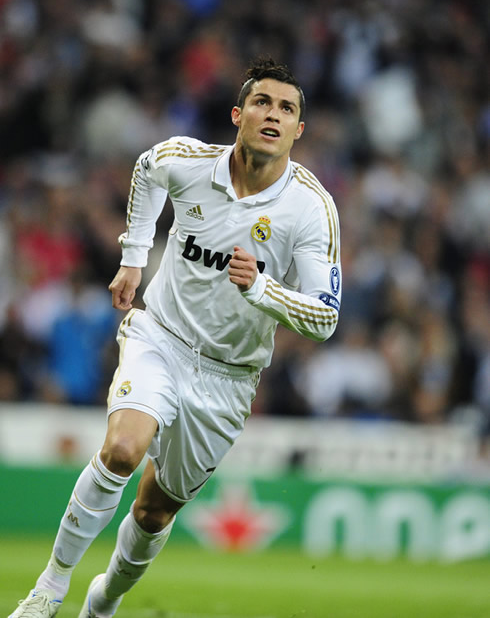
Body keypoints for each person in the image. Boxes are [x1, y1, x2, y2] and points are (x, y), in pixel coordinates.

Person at [10, 57, 342, 618]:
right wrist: (133, 259)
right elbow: (146, 167)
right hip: (161, 338)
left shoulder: (310, 209)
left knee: (152, 513)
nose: (274, 114)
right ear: (238, 114)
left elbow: (325, 318)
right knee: (121, 450)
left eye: (287, 109)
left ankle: (104, 599)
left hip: (229, 377)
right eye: (263, 102)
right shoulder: (189, 162)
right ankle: (47, 590)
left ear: (298, 131)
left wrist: (262, 290)